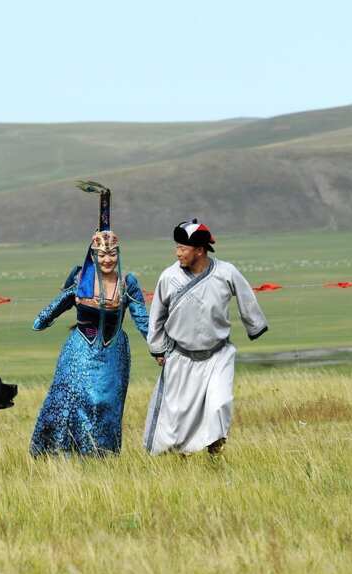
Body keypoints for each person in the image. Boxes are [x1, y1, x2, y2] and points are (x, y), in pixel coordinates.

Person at [30, 182, 148, 457]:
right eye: (102, 254)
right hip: (80, 350)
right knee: (79, 399)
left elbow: (143, 319)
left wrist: (158, 347)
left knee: (105, 403)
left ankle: (101, 455)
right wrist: (43, 320)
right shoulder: (81, 282)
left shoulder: (127, 284)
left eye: (112, 253)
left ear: (118, 255)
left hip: (113, 353)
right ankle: (66, 452)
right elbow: (56, 306)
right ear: (94, 256)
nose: (107, 259)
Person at [143, 219, 268, 456]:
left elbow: (246, 297)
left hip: (218, 354)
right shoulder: (169, 277)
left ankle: (214, 453)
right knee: (179, 417)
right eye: (177, 247)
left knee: (219, 404)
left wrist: (255, 325)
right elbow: (157, 316)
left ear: (199, 250)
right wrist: (158, 349)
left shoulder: (226, 272)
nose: (177, 252)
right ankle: (181, 459)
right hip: (181, 356)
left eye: (183, 248)